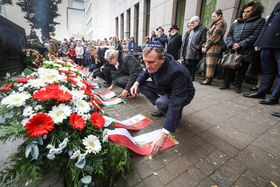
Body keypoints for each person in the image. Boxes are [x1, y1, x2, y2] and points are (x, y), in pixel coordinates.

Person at [130, 41, 195, 155]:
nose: (147, 66)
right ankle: (164, 108)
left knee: (164, 103)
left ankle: (172, 115)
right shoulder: (152, 63)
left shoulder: (176, 72)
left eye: (150, 62)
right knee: (143, 86)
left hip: (183, 93)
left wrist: (164, 132)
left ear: (162, 59)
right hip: (165, 87)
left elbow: (176, 102)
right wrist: (136, 83)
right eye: (145, 62)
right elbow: (146, 72)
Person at [220, 1, 265, 93]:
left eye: (248, 11)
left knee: (242, 69)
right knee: (230, 66)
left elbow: (255, 36)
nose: (245, 13)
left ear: (255, 11)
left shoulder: (260, 21)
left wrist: (240, 44)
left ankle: (238, 86)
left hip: (247, 50)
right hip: (234, 49)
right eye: (244, 11)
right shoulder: (237, 22)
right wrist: (232, 44)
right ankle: (226, 84)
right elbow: (229, 35)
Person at [243, 2, 280, 106]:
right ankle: (261, 92)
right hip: (267, 42)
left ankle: (274, 97)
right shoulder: (278, 4)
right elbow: (268, 24)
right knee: (266, 70)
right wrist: (259, 42)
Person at [200, 9, 226, 85]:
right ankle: (207, 78)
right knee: (208, 63)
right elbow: (208, 36)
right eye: (212, 16)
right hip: (210, 46)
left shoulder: (221, 24)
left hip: (214, 46)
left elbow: (215, 37)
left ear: (220, 16)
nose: (212, 18)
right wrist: (204, 45)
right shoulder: (214, 24)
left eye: (214, 16)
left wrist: (206, 46)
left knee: (211, 63)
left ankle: (208, 79)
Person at [182, 16, 207, 81]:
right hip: (189, 49)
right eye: (191, 22)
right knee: (188, 63)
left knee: (193, 64)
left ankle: (192, 77)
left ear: (197, 22)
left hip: (195, 50)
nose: (191, 24)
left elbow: (203, 39)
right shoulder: (193, 29)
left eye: (193, 22)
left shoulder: (202, 29)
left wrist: (197, 47)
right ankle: (188, 76)